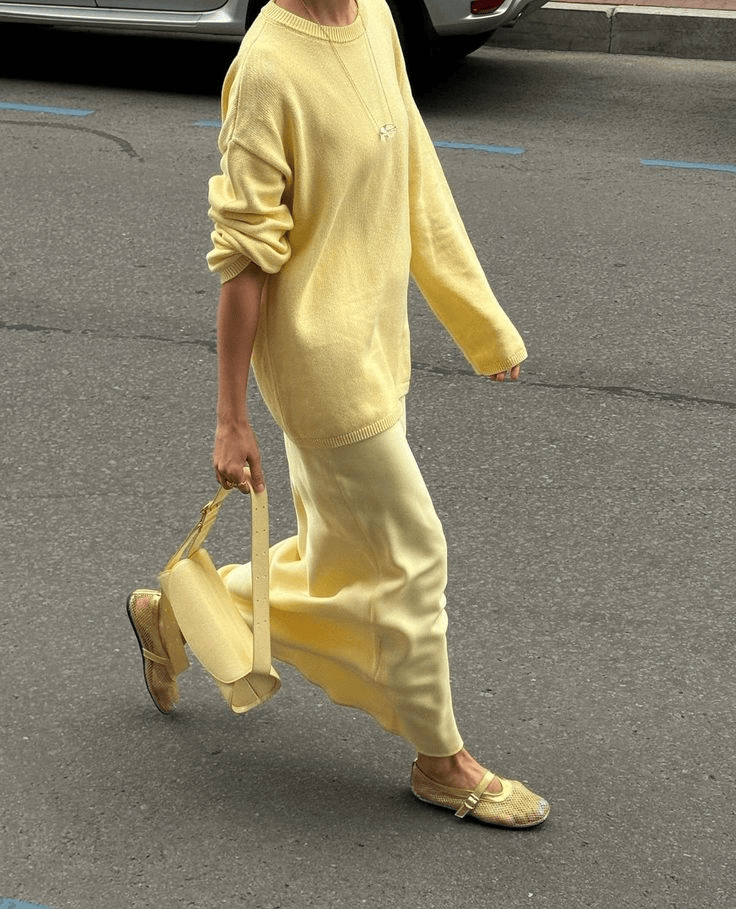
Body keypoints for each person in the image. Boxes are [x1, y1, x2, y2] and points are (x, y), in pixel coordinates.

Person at [128, 0, 549, 828]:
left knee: (338, 560)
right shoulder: (267, 70)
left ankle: (174, 612)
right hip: (319, 362)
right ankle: (441, 760)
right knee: (415, 554)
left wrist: (482, 324)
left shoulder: (376, 18)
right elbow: (244, 257)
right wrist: (230, 416)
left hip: (378, 340)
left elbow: (418, 180)